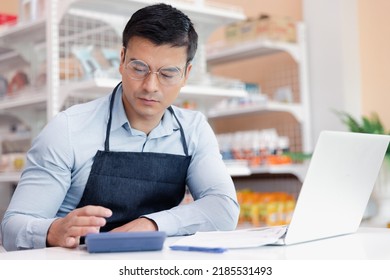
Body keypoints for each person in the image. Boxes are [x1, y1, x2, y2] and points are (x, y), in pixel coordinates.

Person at [0, 3, 239, 251]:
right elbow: (12, 228)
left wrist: (151, 224)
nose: (150, 86)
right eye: (139, 68)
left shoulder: (193, 130)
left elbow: (223, 208)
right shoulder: (68, 129)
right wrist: (53, 231)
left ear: (186, 74)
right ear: (122, 59)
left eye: (167, 74)